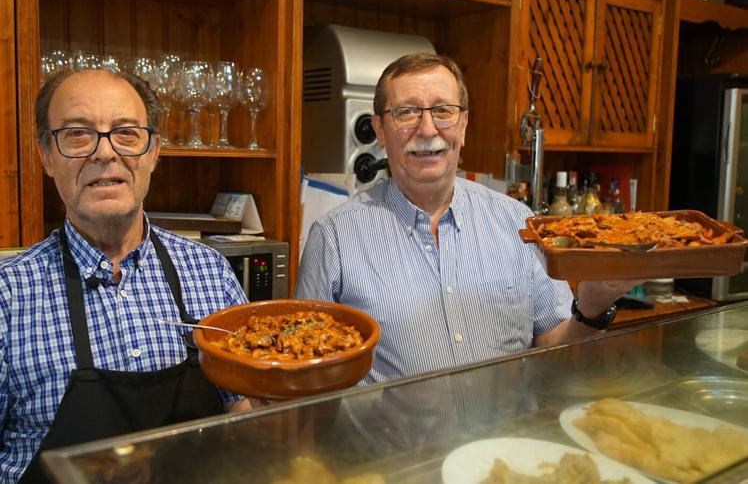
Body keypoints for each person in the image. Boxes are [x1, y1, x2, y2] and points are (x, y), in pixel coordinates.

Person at [295, 53, 636, 383]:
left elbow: (561, 356)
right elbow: (306, 374)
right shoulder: (334, 237)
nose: (427, 129)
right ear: (380, 130)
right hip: (389, 442)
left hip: (505, 439)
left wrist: (591, 308)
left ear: (464, 125)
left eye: (443, 111)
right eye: (407, 112)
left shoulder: (518, 224)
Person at [0, 68, 250, 482]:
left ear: (153, 151)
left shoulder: (209, 271)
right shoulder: (9, 295)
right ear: (46, 154)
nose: (104, 153)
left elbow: (240, 410)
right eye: (78, 134)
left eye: (127, 133)